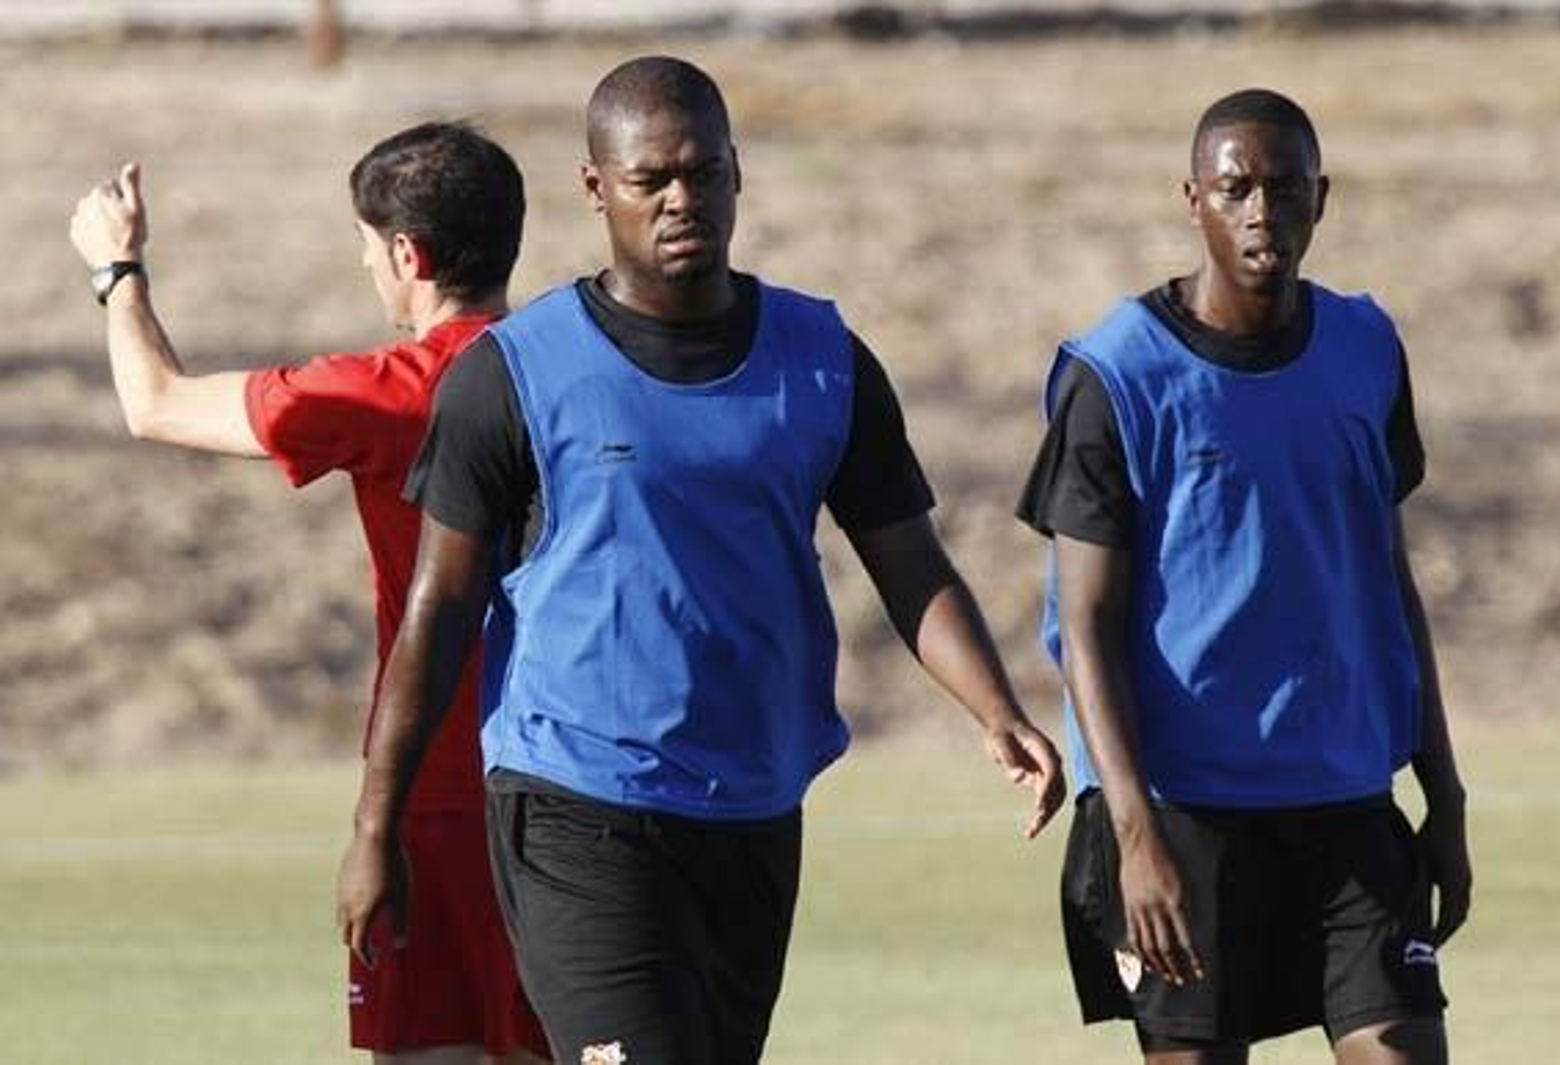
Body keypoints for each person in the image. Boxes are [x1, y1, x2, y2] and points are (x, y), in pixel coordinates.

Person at [335, 55, 1066, 1065]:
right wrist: (379, 826)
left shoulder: (821, 358)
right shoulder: (514, 375)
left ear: (736, 173)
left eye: (704, 173)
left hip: (754, 809)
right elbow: (438, 612)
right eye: (651, 180)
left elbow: (909, 563)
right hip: (575, 806)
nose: (683, 199)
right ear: (597, 189)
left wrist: (998, 710)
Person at [69, 122, 551, 1065]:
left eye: (369, 248)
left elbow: (154, 402)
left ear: (406, 254)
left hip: (436, 793)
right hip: (574, 789)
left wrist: (116, 269)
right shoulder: (581, 373)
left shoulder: (387, 391)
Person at [1016, 88, 1473, 1064]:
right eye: (1235, 189)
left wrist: (1444, 794)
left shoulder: (1363, 348)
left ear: (1321, 198)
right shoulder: (1117, 374)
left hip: (1345, 802)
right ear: (1193, 199)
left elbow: (1388, 581)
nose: (1260, 209)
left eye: (1283, 187)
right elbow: (1084, 627)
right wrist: (1132, 834)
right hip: (1182, 816)